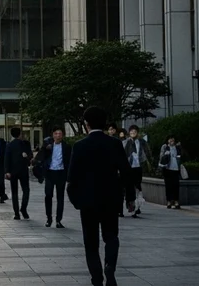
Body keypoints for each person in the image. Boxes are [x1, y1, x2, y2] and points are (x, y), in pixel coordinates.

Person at [67, 107, 133, 286]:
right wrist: (130, 198)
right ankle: (110, 266)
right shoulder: (114, 144)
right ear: (105, 124)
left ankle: (96, 277)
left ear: (86, 124)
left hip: (87, 202)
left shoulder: (80, 146)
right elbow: (126, 172)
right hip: (111, 199)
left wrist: (76, 201)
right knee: (111, 236)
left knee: (91, 242)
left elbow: (72, 178)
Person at [37, 128, 71, 228]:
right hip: (50, 173)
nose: (58, 135)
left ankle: (58, 220)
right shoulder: (48, 146)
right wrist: (45, 148)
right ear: (53, 135)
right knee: (48, 196)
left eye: (60, 133)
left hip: (61, 173)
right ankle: (49, 218)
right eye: (56, 133)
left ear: (63, 135)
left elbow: (69, 161)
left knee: (60, 197)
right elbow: (40, 157)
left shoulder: (66, 147)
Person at [4, 127, 33, 220]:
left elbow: (6, 158)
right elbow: (30, 156)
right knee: (26, 190)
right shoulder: (25, 144)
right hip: (23, 170)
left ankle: (17, 213)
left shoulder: (9, 145)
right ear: (20, 134)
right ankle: (23, 209)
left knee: (15, 192)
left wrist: (7, 171)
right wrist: (27, 157)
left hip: (13, 171)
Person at [122, 126, 151, 218]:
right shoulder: (125, 142)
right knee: (129, 186)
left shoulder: (141, 142)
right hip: (128, 167)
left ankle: (137, 205)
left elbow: (147, 153)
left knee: (138, 186)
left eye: (135, 131)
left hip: (138, 167)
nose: (133, 132)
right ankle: (131, 204)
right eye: (131, 131)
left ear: (137, 132)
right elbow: (122, 154)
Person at [158, 136, 185, 209]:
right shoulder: (165, 147)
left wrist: (180, 146)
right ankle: (169, 201)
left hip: (176, 169)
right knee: (168, 186)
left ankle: (176, 201)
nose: (171, 140)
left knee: (176, 185)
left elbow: (182, 155)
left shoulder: (177, 147)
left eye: (173, 139)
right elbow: (161, 157)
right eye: (170, 139)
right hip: (167, 169)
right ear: (167, 140)